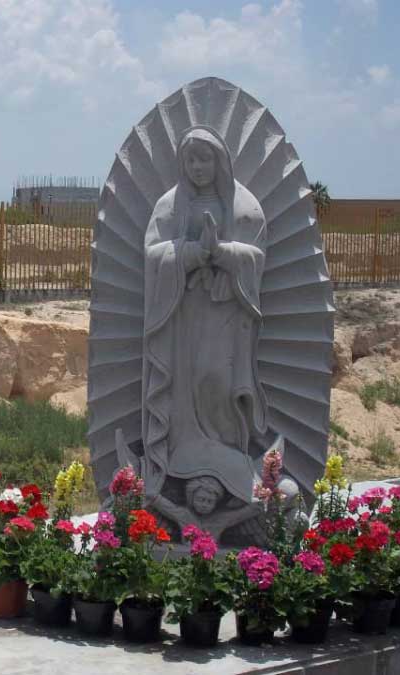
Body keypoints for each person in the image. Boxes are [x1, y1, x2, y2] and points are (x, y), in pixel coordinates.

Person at [142, 125, 269, 506]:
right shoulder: (170, 204)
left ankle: (226, 458)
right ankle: (182, 460)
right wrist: (193, 253)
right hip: (182, 318)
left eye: (205, 158)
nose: (198, 167)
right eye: (191, 159)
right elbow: (152, 254)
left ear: (219, 160)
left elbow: (257, 255)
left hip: (226, 318)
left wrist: (226, 253)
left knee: (216, 380)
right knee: (185, 385)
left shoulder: (244, 207)